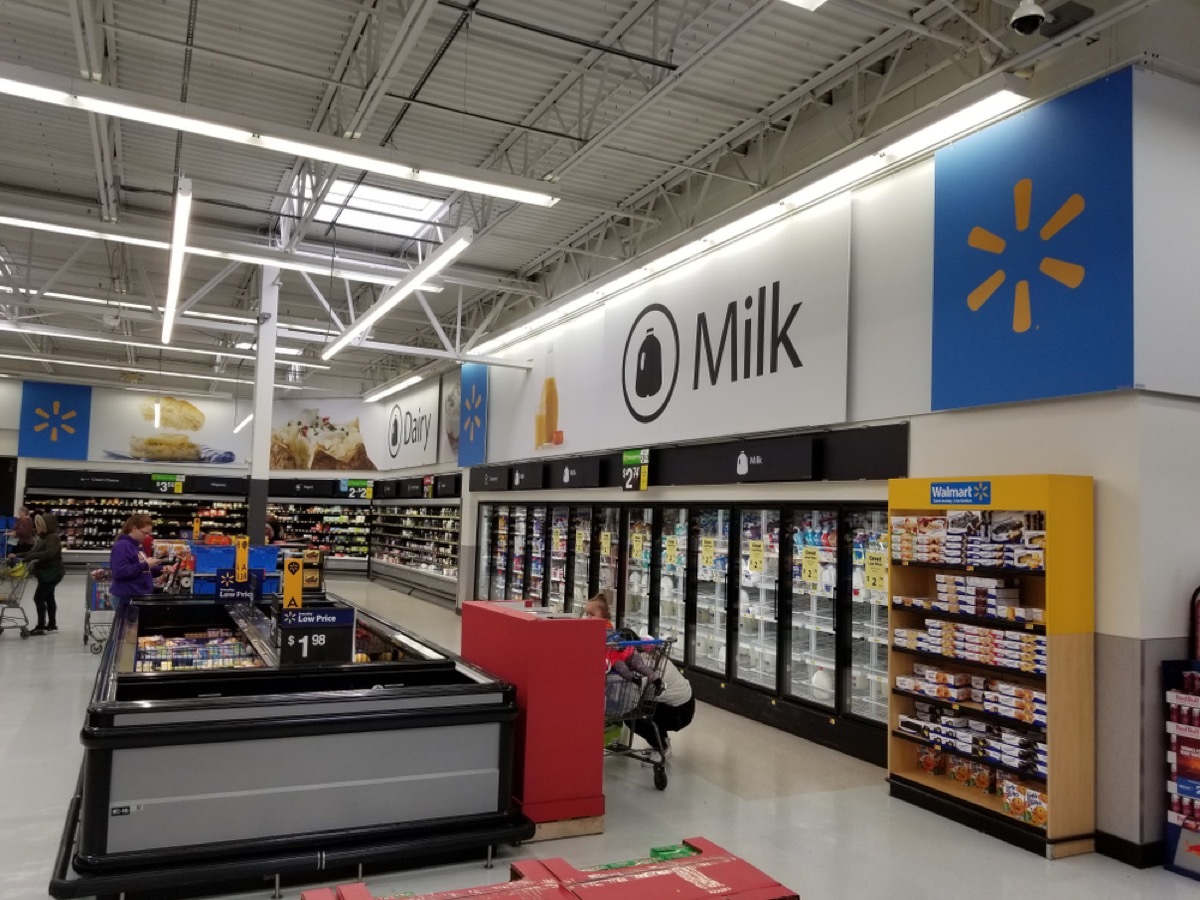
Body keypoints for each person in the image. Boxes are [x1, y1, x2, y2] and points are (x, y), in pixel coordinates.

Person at [109, 514, 175, 610]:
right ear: (134, 528)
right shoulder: (122, 546)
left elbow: (144, 570)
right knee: (128, 625)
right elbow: (119, 572)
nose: (147, 536)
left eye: (149, 533)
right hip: (126, 597)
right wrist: (145, 565)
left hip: (137, 596)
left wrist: (163, 569)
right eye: (145, 533)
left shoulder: (137, 546)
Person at [17, 513, 64, 635]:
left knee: (38, 597)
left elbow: (49, 553)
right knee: (49, 597)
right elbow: (32, 551)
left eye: (38, 524)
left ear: (46, 525)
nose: (36, 527)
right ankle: (52, 625)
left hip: (52, 572)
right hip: (46, 572)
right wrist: (17, 556)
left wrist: (31, 557)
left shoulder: (52, 537)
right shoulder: (42, 537)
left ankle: (41, 626)